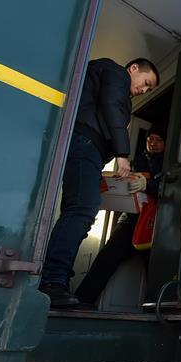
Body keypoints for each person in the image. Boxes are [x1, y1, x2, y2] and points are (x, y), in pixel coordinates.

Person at [39, 57, 159, 308]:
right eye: (146, 82)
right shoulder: (116, 73)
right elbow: (111, 106)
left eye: (149, 89)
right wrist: (122, 154)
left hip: (86, 147)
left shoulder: (106, 80)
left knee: (77, 212)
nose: (144, 90)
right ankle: (52, 281)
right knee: (82, 210)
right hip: (86, 144)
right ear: (133, 68)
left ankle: (56, 280)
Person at [74, 129, 167, 307]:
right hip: (131, 219)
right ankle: (82, 301)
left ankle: (156, 308)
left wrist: (148, 184)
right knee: (106, 259)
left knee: (155, 267)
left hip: (155, 221)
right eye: (150, 139)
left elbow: (171, 186)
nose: (153, 143)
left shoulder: (168, 163)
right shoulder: (137, 161)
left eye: (158, 139)